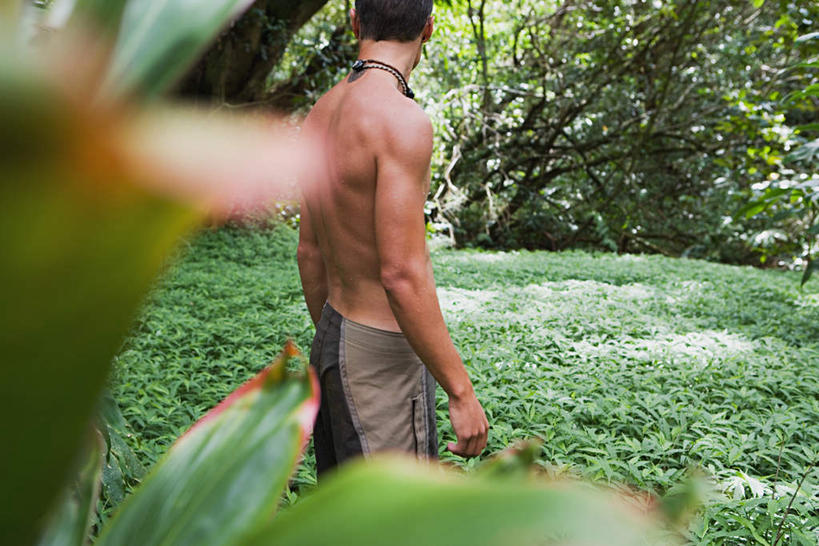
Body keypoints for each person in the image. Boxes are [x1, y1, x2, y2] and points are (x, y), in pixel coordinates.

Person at [297, 0, 489, 477]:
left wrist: (337, 346)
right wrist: (461, 391)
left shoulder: (321, 112)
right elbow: (401, 273)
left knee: (345, 515)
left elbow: (309, 253)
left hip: (332, 337)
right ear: (429, 28)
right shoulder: (403, 121)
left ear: (356, 21)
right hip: (381, 356)